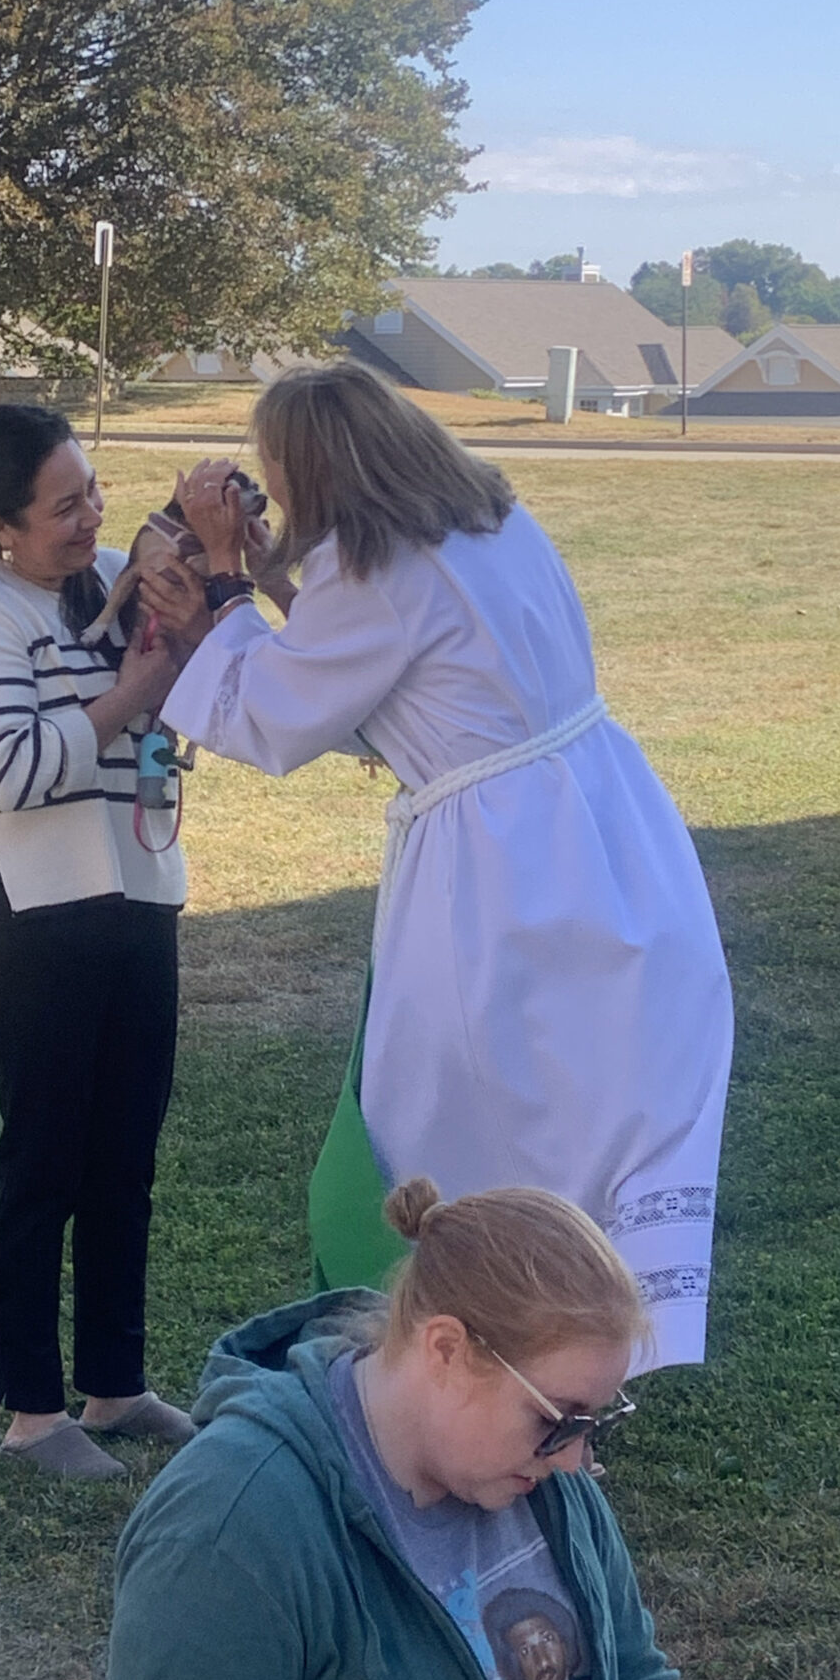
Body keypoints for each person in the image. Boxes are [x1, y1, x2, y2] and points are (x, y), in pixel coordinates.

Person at [139, 361, 733, 1367]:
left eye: (277, 472)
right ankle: (580, 1339)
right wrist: (258, 582)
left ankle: (484, 1348)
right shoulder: (489, 521)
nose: (271, 490)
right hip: (608, 832)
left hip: (501, 875)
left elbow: (277, 711)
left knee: (459, 1115)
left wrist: (227, 572)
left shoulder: (374, 570)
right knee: (593, 1102)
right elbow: (376, 671)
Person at [107, 1177, 688, 1680]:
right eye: (555, 1420)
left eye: (591, 1426)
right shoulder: (228, 1534)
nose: (572, 1462)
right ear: (446, 1349)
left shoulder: (540, 1478)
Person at [0, 404, 196, 1478]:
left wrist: (198, 590)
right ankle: (34, 1410)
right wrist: (142, 687)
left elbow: (200, 686)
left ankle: (115, 1384)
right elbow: (17, 770)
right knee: (45, 1161)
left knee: (124, 1156)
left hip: (137, 890)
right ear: (1, 527)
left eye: (94, 491)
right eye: (63, 505)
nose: (91, 519)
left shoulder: (119, 579)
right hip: (28, 909)